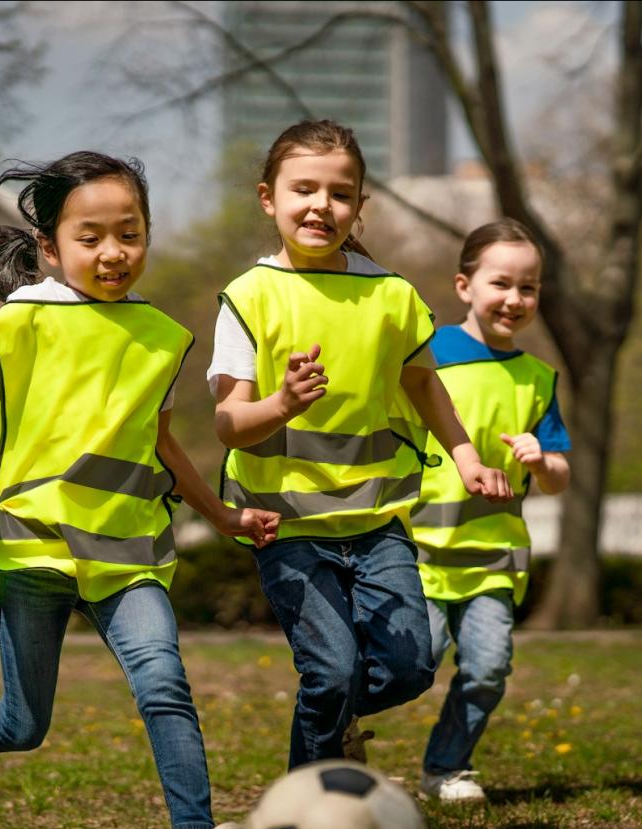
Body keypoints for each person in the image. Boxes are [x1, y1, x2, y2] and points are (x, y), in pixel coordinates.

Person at [0, 151, 280, 829]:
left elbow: (164, 446)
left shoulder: (161, 337)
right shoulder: (21, 321)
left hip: (130, 554)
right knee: (23, 723)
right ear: (51, 248)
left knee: (165, 684)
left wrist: (225, 516)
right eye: (92, 236)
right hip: (34, 547)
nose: (113, 253)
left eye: (129, 234)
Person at [207, 120, 512, 769]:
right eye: (304, 189)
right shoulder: (249, 296)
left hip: (377, 525)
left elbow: (425, 387)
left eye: (340, 193)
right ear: (269, 198)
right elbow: (228, 423)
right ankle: (305, 805)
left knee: (411, 669)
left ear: (360, 206)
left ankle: (330, 719)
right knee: (334, 672)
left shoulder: (393, 296)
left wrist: (466, 456)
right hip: (286, 528)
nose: (322, 205)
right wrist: (281, 404)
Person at [396, 219, 571, 803]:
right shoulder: (427, 357)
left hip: (494, 560)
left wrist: (542, 460)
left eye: (529, 288)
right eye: (502, 283)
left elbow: (559, 479)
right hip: (419, 553)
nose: (515, 299)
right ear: (464, 285)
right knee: (409, 666)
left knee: (489, 669)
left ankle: (447, 769)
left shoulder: (538, 378)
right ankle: (340, 730)